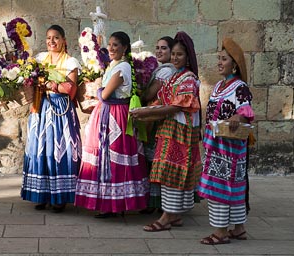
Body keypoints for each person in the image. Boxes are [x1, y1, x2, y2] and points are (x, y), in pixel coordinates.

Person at [130, 31, 202, 232]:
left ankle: (166, 217)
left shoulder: (188, 78)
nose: (175, 58)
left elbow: (176, 107)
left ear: (188, 57)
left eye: (179, 54)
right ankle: (174, 215)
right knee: (167, 171)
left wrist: (145, 112)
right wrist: (146, 112)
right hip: (169, 129)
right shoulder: (175, 77)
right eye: (174, 54)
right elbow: (162, 101)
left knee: (170, 171)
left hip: (180, 131)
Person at [74, 31, 149, 218]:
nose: (112, 48)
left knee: (113, 156)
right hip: (109, 114)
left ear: (125, 47)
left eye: (116, 45)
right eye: (110, 44)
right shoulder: (114, 65)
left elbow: (105, 94)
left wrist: (97, 90)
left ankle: (115, 203)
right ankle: (109, 203)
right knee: (105, 157)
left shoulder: (122, 67)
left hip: (114, 116)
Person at [198, 38, 254, 245]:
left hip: (229, 148)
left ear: (235, 64)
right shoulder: (219, 86)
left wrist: (236, 118)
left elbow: (246, 111)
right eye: (218, 59)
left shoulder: (240, 87)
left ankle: (221, 232)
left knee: (222, 187)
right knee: (231, 186)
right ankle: (238, 229)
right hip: (216, 145)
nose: (219, 63)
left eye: (224, 59)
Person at [21, 25, 82, 213]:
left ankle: (59, 197)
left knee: (58, 150)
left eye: (56, 38)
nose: (51, 41)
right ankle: (40, 194)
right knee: (40, 148)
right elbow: (28, 79)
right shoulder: (39, 59)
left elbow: (70, 90)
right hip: (41, 109)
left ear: (63, 40)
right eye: (48, 38)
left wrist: (51, 84)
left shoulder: (71, 62)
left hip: (61, 110)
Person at [139, 36, 176, 214]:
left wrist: (139, 91)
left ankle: (158, 202)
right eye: (157, 47)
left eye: (164, 48)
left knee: (154, 160)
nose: (159, 51)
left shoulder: (167, 72)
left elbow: (149, 95)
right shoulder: (162, 69)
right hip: (154, 117)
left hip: (158, 118)